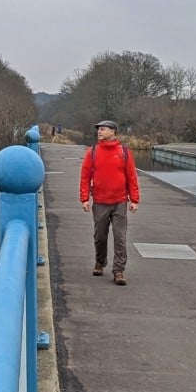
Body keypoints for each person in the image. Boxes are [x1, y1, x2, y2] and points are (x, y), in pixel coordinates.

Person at [79, 120, 140, 285]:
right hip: (100, 201)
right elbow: (85, 176)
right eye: (98, 129)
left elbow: (131, 176)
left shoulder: (124, 152)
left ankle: (119, 271)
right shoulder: (92, 152)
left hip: (120, 201)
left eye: (103, 129)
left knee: (120, 237)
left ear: (113, 132)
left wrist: (134, 199)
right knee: (100, 236)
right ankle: (100, 261)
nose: (99, 132)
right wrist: (84, 198)